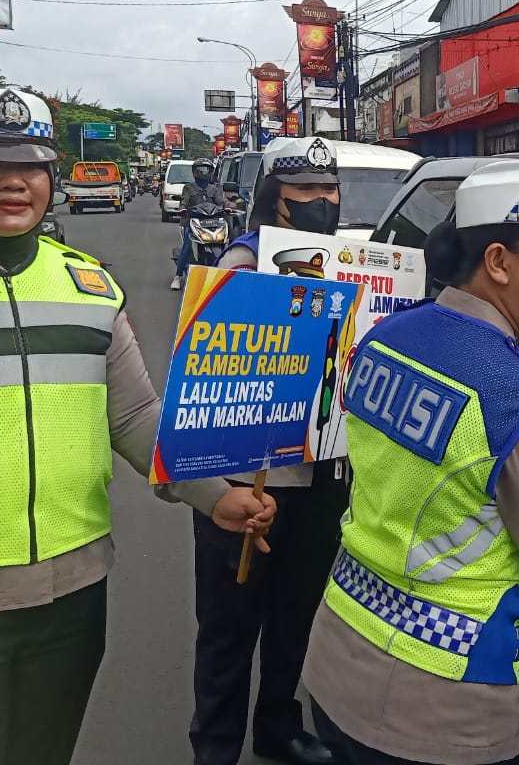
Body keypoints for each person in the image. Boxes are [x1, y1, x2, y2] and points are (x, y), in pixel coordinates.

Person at [0, 87, 277, 765]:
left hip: (69, 598)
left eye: (35, 164)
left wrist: (216, 495)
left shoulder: (87, 284)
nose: (16, 179)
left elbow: (134, 417)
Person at [302, 159, 519, 765]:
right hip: (446, 708)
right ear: (497, 261)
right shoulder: (518, 395)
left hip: (336, 657)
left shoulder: (384, 338)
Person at [186, 135, 348, 765]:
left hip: (324, 475)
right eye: (305, 191)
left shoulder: (352, 264)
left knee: (296, 617)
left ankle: (278, 726)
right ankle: (215, 745)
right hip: (245, 481)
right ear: (275, 199)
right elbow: (205, 366)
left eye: (328, 191)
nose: (320, 202)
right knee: (229, 626)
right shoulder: (242, 265)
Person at [171, 156, 225, 290]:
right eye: (200, 170)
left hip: (212, 221)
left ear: (210, 172)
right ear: (195, 172)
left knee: (224, 242)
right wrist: (182, 209)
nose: (203, 173)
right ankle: (177, 276)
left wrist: (230, 206)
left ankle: (225, 273)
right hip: (193, 221)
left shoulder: (215, 188)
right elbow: (183, 202)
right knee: (188, 246)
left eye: (206, 170)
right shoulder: (188, 188)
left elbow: (221, 202)